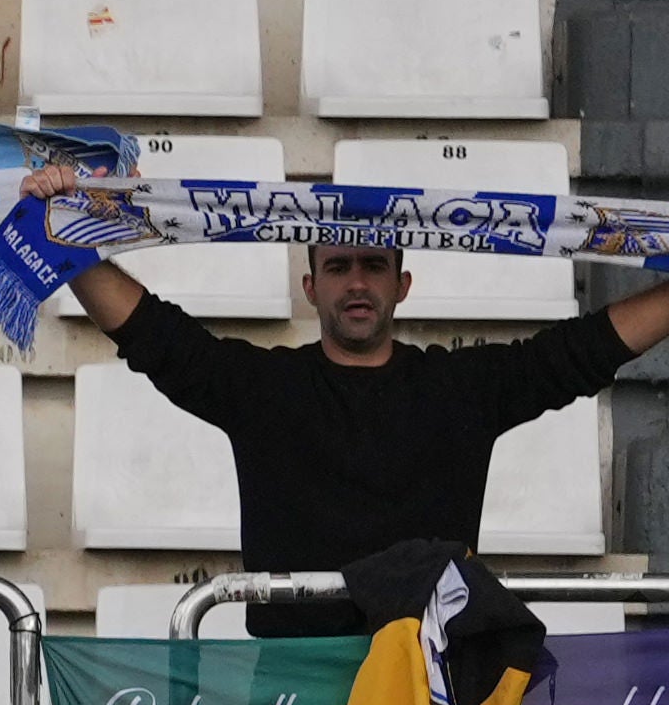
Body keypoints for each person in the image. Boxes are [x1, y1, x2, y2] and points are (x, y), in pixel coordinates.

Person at [46, 229, 669, 623]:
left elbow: (581, 352)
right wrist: (62, 238)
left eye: (374, 264)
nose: (358, 282)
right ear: (310, 287)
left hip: (429, 681)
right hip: (292, 691)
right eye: (339, 266)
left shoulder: (462, 390)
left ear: (403, 285)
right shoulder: (263, 389)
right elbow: (156, 338)